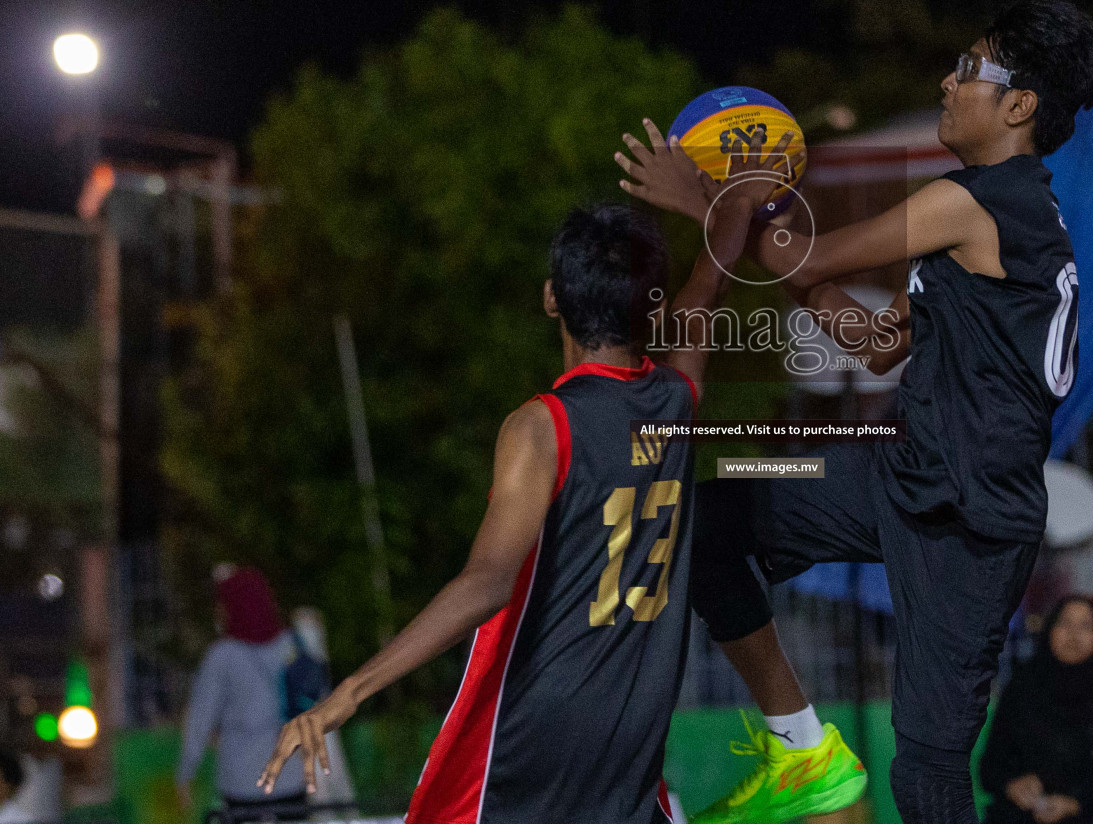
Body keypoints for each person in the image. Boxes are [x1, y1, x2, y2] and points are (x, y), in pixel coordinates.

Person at [619, 0, 1093, 824]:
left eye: (968, 70)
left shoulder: (981, 201)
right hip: (902, 473)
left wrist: (721, 200)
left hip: (970, 523)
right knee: (704, 512)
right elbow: (873, 342)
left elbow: (804, 254)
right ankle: (801, 745)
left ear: (1019, 106)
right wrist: (767, 230)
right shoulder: (1001, 222)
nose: (948, 83)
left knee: (925, 768)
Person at [259, 181, 773, 824]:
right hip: (630, 737)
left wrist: (348, 694)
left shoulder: (544, 425)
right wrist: (743, 197)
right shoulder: (678, 403)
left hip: (535, 737)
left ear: (552, 297)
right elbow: (711, 284)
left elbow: (487, 583)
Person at [979, 597, 1093, 824]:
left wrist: (1075, 804)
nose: (1073, 634)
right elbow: (990, 766)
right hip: (1018, 815)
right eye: (1064, 623)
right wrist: (1012, 785)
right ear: (1049, 630)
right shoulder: (1023, 684)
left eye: (1085, 626)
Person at [177, 567, 308, 819]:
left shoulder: (222, 656)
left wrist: (186, 773)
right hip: (291, 776)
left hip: (242, 782)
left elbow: (200, 718)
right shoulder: (292, 644)